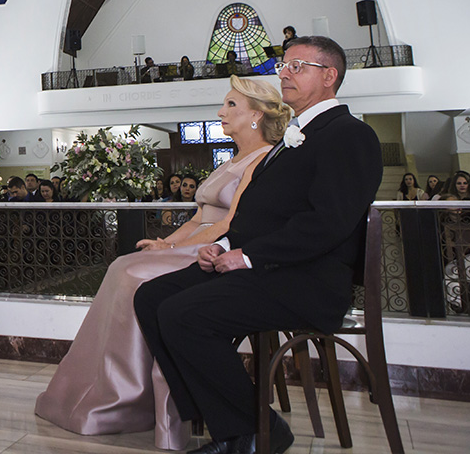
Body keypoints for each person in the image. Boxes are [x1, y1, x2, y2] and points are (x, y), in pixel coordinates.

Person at [134, 36, 382, 454]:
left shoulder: (349, 134)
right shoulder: (293, 137)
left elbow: (328, 222)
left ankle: (249, 432)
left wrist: (248, 256)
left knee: (183, 314)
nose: (284, 72)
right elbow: (261, 215)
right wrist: (224, 243)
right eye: (283, 65)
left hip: (306, 280)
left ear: (329, 76)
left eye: (297, 66)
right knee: (152, 296)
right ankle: (224, 419)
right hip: (269, 268)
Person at [36, 75, 284, 449]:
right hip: (197, 242)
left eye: (232, 105)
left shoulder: (263, 159)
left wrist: (172, 252)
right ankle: (100, 390)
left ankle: (134, 399)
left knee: (133, 274)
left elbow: (229, 223)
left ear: (257, 115)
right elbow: (200, 217)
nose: (221, 110)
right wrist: (163, 243)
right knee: (126, 264)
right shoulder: (230, 160)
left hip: (218, 248)